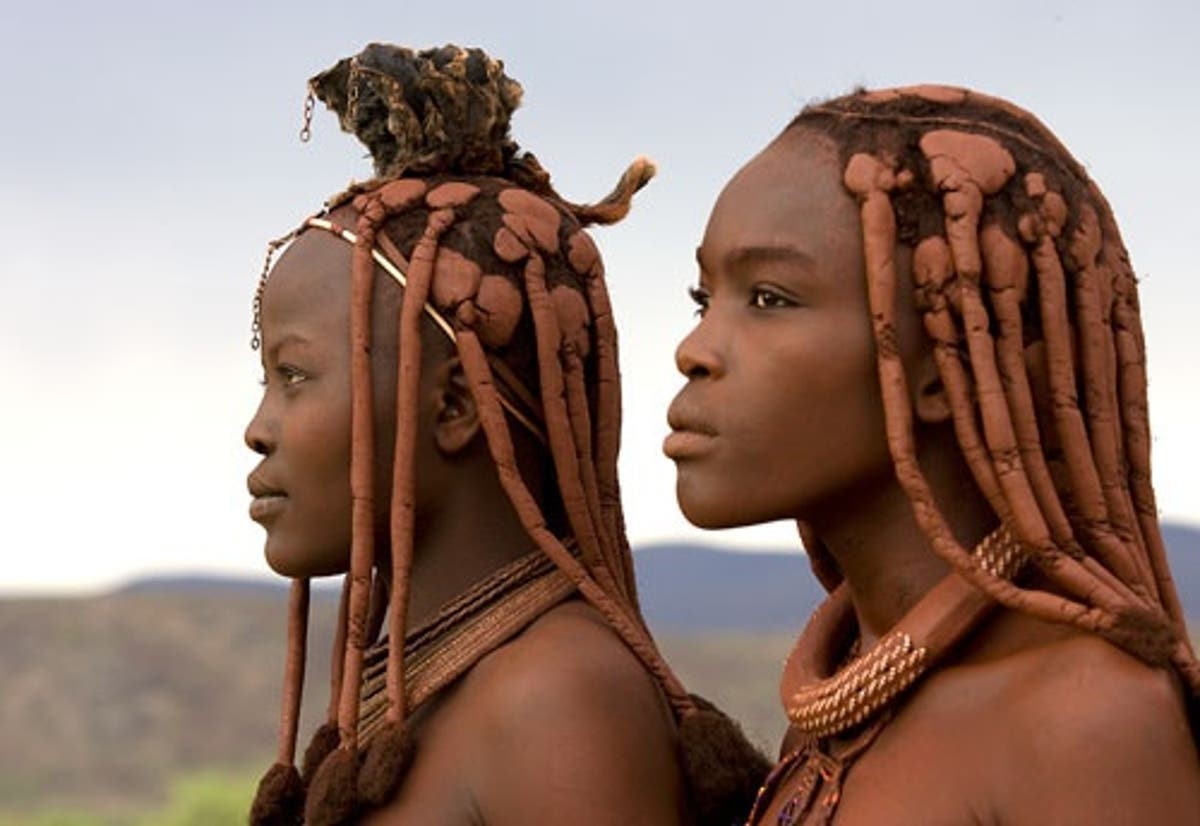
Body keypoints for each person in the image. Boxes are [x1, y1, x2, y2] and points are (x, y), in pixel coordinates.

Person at [244, 43, 767, 826]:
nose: (258, 431)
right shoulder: (434, 693)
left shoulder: (556, 700)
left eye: (292, 377)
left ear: (454, 406)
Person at [665, 84, 1200, 825]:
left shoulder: (1080, 720)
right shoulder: (841, 706)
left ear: (943, 363)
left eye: (768, 298)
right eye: (704, 299)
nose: (693, 350)